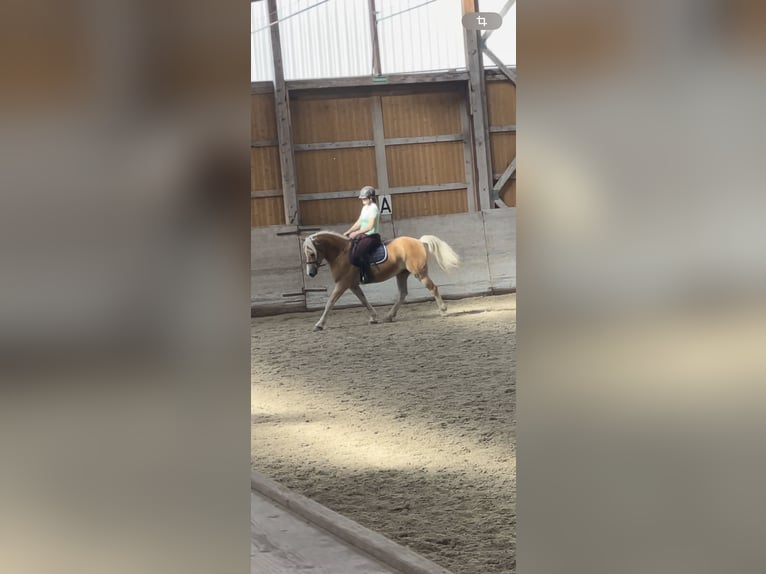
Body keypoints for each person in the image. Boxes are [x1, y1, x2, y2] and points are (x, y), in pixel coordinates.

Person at [343, 186, 382, 284]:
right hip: (363, 235)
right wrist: (349, 231)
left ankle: (367, 275)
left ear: (371, 198)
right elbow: (359, 222)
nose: (362, 200)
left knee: (358, 254)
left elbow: (370, 226)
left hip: (371, 236)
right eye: (362, 198)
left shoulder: (374, 208)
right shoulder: (365, 208)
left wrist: (356, 233)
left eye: (364, 198)